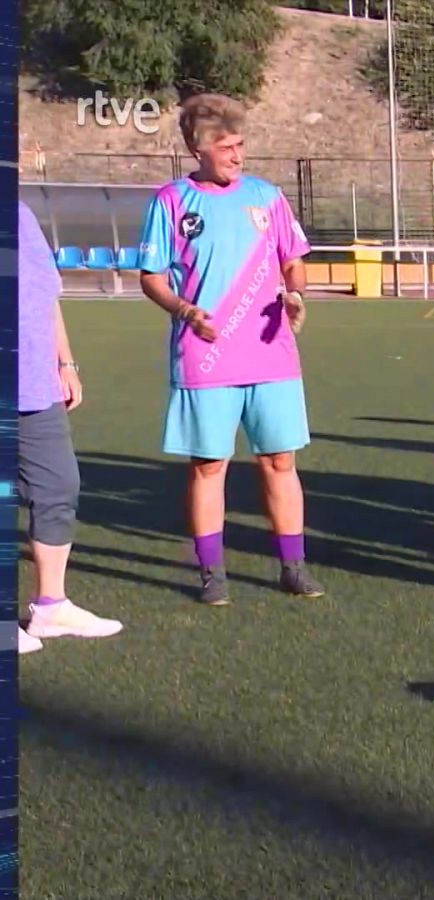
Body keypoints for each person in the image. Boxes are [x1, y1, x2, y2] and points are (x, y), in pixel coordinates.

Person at [137, 93, 323, 606]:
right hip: (206, 356)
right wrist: (185, 311)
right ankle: (211, 572)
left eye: (241, 145)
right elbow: (150, 277)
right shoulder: (171, 202)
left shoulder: (267, 196)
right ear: (198, 148)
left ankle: (293, 565)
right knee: (208, 466)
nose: (238, 156)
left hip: (271, 354)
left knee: (280, 462)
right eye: (227, 147)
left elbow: (294, 261)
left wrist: (296, 295)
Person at [16, 201, 123, 654]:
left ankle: (50, 607)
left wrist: (66, 361)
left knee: (58, 486)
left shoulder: (18, 213)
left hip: (35, 382)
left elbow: (46, 295)